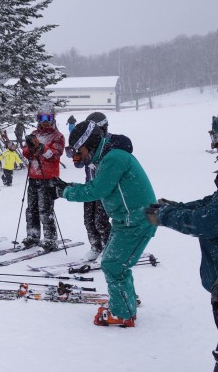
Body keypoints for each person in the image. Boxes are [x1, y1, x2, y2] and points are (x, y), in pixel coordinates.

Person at [146, 106, 218, 372]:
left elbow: (209, 221)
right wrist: (176, 208)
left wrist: (166, 216)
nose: (217, 151)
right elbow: (216, 204)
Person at [56, 119, 156, 327]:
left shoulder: (114, 158)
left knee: (113, 264)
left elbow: (96, 190)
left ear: (89, 144)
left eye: (79, 150)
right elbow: (98, 186)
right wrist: (69, 186)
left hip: (136, 220)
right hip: (126, 220)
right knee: (115, 264)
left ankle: (123, 313)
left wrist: (64, 191)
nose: (78, 156)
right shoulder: (106, 158)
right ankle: (125, 304)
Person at [74, 112, 121, 262]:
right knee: (88, 219)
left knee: (101, 221)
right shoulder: (88, 143)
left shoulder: (109, 142)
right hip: (90, 187)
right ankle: (95, 247)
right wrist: (78, 158)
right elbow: (79, 163)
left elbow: (125, 146)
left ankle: (108, 249)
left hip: (103, 189)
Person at [20, 103, 65, 252]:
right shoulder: (35, 134)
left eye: (48, 117)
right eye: (42, 118)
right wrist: (29, 147)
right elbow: (26, 153)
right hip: (34, 176)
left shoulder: (57, 136)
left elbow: (54, 155)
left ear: (53, 118)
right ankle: (33, 236)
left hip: (48, 178)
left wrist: (41, 147)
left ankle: (50, 239)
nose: (45, 121)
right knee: (31, 209)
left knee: (45, 209)